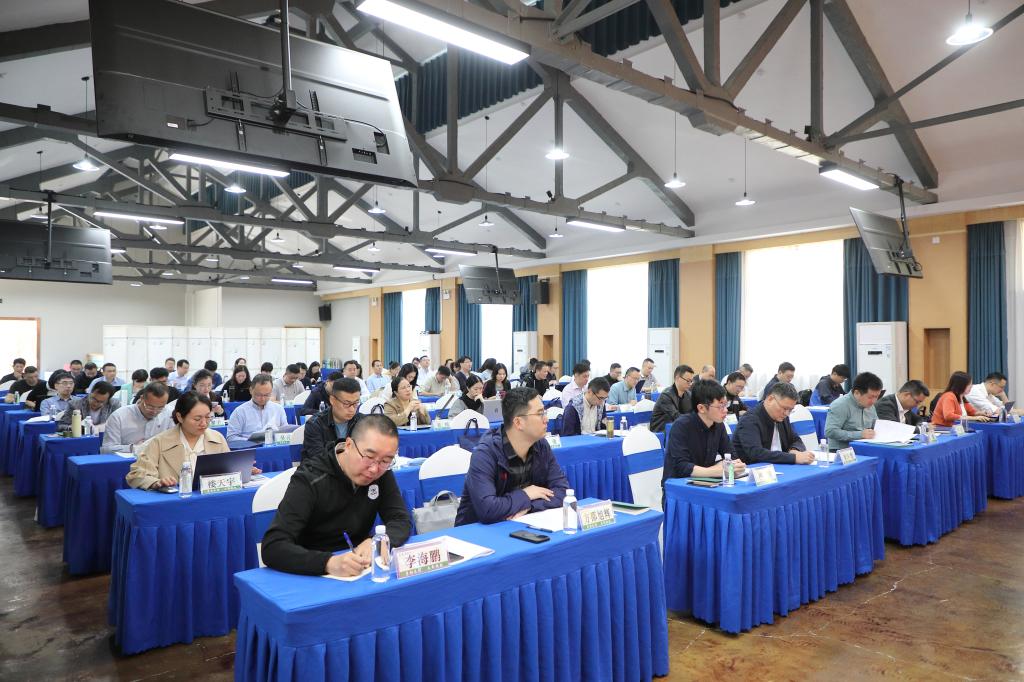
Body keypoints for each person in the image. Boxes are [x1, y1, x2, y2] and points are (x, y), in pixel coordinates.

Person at [261, 415, 411, 576]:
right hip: (313, 573)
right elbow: (273, 546)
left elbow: (400, 519)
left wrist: (379, 541)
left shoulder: (382, 473)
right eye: (369, 457)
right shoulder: (310, 478)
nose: (374, 469)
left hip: (361, 569)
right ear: (349, 445)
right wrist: (328, 563)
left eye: (385, 461)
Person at [455, 387, 569, 526]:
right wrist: (526, 494)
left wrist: (529, 507)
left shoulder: (541, 446)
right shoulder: (485, 454)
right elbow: (488, 509)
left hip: (521, 525)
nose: (546, 419)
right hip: (477, 532)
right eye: (540, 414)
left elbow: (563, 492)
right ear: (518, 422)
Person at [125, 392, 237, 490]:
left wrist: (236, 473)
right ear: (180, 417)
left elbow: (229, 470)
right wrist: (155, 482)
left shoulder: (217, 438)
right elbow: (136, 475)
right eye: (197, 419)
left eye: (208, 417)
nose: (204, 423)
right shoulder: (160, 442)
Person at [663, 380, 747, 482]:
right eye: (720, 406)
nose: (725, 410)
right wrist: (718, 470)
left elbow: (730, 455)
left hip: (706, 481)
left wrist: (736, 465)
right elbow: (681, 467)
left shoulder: (718, 424)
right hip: (679, 484)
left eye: (726, 405)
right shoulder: (681, 426)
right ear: (701, 408)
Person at [732, 382, 815, 465]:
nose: (787, 413)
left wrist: (794, 450)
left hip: (778, 467)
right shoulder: (749, 420)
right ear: (770, 399)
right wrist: (793, 458)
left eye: (790, 410)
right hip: (753, 469)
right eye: (784, 408)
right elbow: (756, 453)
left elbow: (796, 440)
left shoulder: (782, 417)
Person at [300, 377, 362, 461]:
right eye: (346, 403)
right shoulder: (315, 424)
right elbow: (319, 460)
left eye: (356, 403)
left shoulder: (363, 422)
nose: (352, 409)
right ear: (332, 400)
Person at [101, 382, 172, 454]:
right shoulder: (119, 416)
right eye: (150, 407)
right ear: (142, 398)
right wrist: (132, 448)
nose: (155, 411)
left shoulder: (169, 414)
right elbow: (106, 450)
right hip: (128, 460)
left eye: (160, 407)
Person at [824, 371, 882, 450]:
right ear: (857, 393)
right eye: (870, 397)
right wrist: (860, 434)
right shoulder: (840, 405)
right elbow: (830, 431)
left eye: (877, 397)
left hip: (866, 448)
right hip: (843, 451)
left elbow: (876, 427)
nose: (874, 401)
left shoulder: (870, 405)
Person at [226, 373, 289, 440]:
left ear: (271, 392)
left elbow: (285, 432)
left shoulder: (278, 409)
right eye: (258, 395)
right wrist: (250, 441)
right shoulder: (240, 412)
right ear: (251, 390)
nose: (262, 399)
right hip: (249, 445)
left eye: (267, 395)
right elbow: (231, 438)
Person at [650, 364, 695, 433]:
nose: (690, 384)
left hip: (678, 428)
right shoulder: (666, 396)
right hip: (661, 431)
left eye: (691, 381)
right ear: (677, 378)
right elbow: (676, 416)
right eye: (688, 381)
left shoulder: (689, 395)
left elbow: (692, 413)